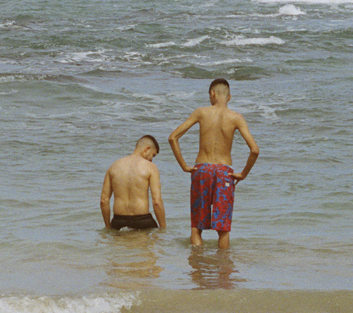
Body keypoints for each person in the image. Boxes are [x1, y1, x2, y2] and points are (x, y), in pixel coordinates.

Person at [168, 78, 259, 250]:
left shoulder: (201, 112)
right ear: (229, 97)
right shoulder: (236, 118)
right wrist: (243, 173)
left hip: (201, 170)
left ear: (212, 94)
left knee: (196, 227)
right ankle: (223, 270)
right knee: (223, 230)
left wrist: (184, 166)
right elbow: (254, 150)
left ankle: (198, 268)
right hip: (225, 172)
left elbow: (173, 137)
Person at [100, 135, 166, 232]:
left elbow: (104, 201)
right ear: (147, 149)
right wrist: (163, 228)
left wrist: (108, 227)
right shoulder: (151, 167)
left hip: (118, 221)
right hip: (143, 221)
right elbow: (156, 202)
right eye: (153, 155)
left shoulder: (114, 166)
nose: (152, 160)